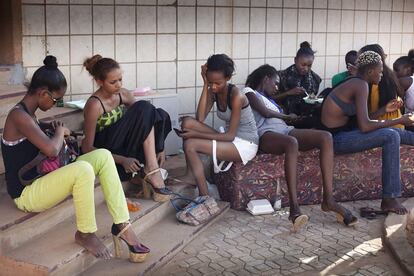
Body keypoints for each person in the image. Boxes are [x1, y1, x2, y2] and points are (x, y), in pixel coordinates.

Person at [1, 56, 150, 261]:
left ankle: (123, 225)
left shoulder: (29, 114)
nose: (55, 105)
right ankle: (85, 233)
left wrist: (58, 132)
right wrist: (60, 133)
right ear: (43, 93)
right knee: (83, 170)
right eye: (55, 100)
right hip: (26, 194)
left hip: (42, 181)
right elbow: (52, 151)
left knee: (103, 155)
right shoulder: (18, 116)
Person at [243, 64, 357, 229]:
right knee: (291, 143)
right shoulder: (249, 92)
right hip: (266, 134)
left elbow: (278, 116)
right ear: (266, 78)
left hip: (285, 130)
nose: (276, 87)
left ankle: (329, 200)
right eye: (275, 83)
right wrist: (288, 116)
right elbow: (265, 113)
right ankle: (294, 209)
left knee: (325, 137)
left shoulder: (271, 100)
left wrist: (291, 119)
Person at [320, 50, 414, 215]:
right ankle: (389, 199)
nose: (382, 74)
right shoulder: (360, 84)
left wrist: (384, 110)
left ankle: (389, 198)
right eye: (380, 70)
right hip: (335, 140)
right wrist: (399, 120)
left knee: (392, 132)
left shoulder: (357, 82)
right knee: (391, 135)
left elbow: (363, 120)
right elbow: (365, 126)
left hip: (343, 134)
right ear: (370, 71)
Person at [82, 55, 172, 202]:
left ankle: (150, 167)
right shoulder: (94, 105)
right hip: (108, 152)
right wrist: (123, 160)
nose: (118, 85)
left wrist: (161, 147)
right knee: (145, 107)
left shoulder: (123, 94)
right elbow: (87, 147)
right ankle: (151, 170)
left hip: (123, 144)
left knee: (159, 114)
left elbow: (146, 119)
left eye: (120, 80)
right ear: (99, 82)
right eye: (113, 82)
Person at [178, 54, 258, 199]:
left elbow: (230, 136)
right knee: (187, 123)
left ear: (228, 78)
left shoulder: (236, 96)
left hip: (245, 144)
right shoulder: (214, 90)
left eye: (217, 83)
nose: (213, 87)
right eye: (210, 82)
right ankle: (191, 175)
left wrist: (194, 135)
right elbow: (200, 118)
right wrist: (205, 84)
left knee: (191, 144)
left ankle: (204, 197)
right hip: (230, 139)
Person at [275, 41, 322, 128]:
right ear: (295, 60)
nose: (306, 68)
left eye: (309, 66)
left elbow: (312, 102)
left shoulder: (316, 79)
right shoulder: (280, 76)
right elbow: (269, 100)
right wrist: (288, 93)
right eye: (303, 65)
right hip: (283, 120)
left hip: (305, 121)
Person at [359, 44, 404, 129]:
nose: (357, 63)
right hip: (398, 127)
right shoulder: (391, 76)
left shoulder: (370, 84)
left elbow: (365, 121)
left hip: (381, 129)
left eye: (360, 59)